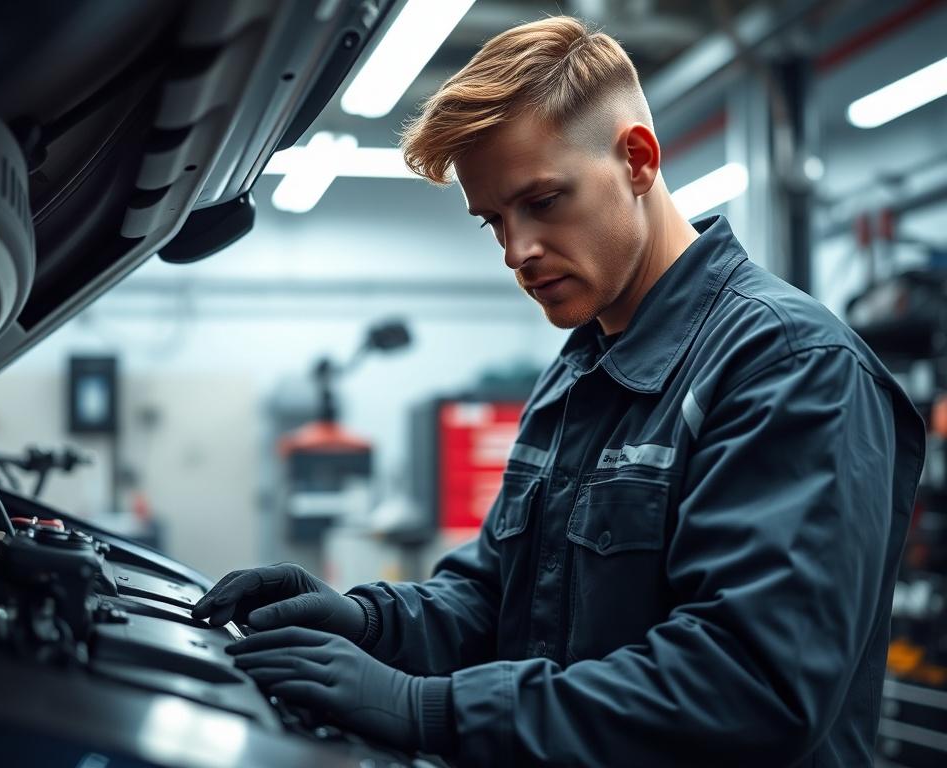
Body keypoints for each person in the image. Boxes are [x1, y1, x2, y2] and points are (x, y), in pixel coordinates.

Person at [195, 17, 925, 766]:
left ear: (638, 159)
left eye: (543, 202)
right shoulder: (577, 372)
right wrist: (366, 622)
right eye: (494, 222)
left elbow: (748, 686)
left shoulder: (789, 367)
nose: (518, 252)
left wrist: (427, 709)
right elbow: (494, 598)